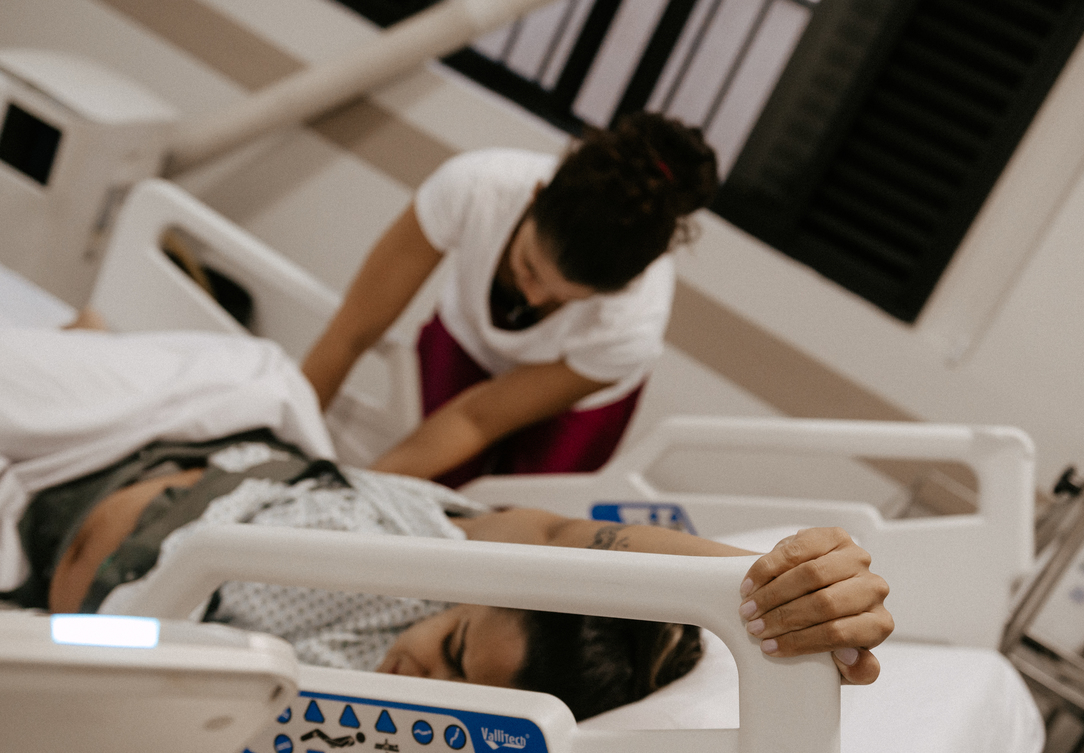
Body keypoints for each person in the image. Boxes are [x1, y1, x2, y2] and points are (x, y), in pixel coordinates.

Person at [2, 325, 891, 722]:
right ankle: (96, 337)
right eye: (455, 645)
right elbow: (565, 542)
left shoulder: (375, 720)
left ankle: (93, 334)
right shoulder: (446, 560)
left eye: (461, 690)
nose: (425, 673)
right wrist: (760, 582)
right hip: (186, 425)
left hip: (37, 536)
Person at [302, 113, 719, 487]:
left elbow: (478, 419)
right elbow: (349, 334)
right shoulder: (475, 188)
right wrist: (290, 449)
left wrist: (355, 498)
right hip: (469, 339)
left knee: (513, 514)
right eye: (529, 268)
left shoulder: (631, 323)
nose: (533, 297)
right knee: (430, 480)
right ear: (534, 198)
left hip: (580, 398)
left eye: (563, 298)